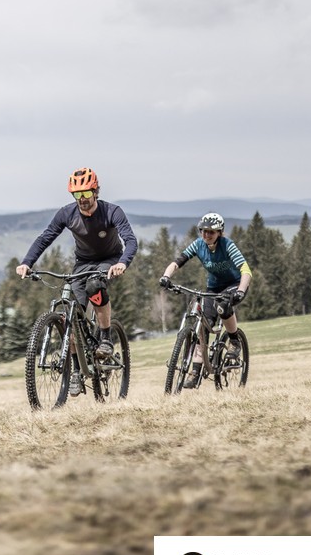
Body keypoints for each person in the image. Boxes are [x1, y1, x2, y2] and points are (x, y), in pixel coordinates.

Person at [15, 167, 138, 396]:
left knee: (95, 286)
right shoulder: (67, 213)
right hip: (82, 263)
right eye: (77, 194)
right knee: (70, 315)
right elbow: (45, 238)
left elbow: (130, 240)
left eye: (86, 193)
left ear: (96, 191)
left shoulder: (112, 211)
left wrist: (122, 263)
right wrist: (27, 262)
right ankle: (76, 371)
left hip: (109, 260)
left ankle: (105, 337)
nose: (82, 199)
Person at [158, 212, 252, 388]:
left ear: (219, 233)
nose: (207, 235)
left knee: (223, 306)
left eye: (211, 232)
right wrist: (166, 277)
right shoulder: (198, 245)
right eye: (204, 231)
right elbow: (177, 262)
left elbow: (246, 270)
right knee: (204, 323)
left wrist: (240, 291)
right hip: (213, 288)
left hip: (235, 284)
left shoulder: (228, 245)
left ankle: (234, 341)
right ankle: (195, 372)